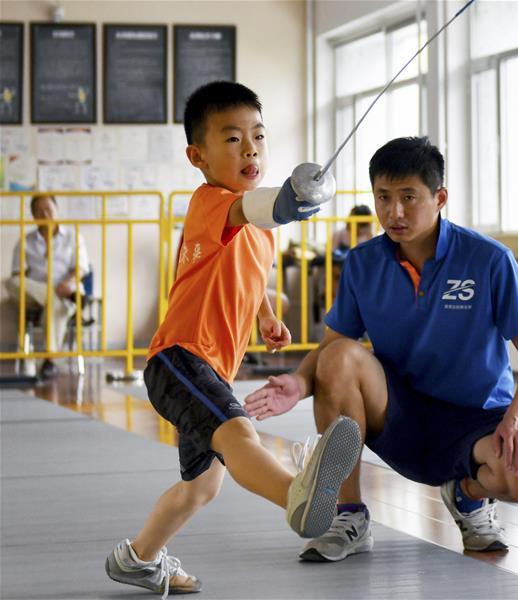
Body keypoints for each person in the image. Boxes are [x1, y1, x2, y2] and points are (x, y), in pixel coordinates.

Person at [245, 136, 518, 563]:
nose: (394, 212)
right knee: (339, 357)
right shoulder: (362, 262)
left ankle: (467, 495)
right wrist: (299, 384)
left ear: (439, 197)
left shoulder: (488, 260)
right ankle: (348, 514)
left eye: (409, 197)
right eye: (383, 198)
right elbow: (334, 348)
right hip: (399, 416)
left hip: (478, 420)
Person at [104, 81, 362, 596]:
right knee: (240, 433)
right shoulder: (212, 203)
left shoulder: (263, 231)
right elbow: (257, 210)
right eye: (232, 138)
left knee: (203, 484)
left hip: (210, 367)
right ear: (197, 156)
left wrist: (265, 315)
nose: (250, 148)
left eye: (259, 136)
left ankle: (137, 558)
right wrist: (291, 198)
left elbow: (251, 272)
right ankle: (298, 496)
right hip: (179, 356)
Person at [6, 194, 89, 378]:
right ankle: (49, 359)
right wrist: (45, 292)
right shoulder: (25, 241)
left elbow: (81, 268)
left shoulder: (73, 237)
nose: (45, 214)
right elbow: (17, 276)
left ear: (56, 210)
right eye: (39, 211)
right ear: (34, 216)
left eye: (49, 209)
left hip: (67, 290)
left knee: (55, 306)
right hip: (35, 294)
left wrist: (67, 284)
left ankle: (49, 359)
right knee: (11, 283)